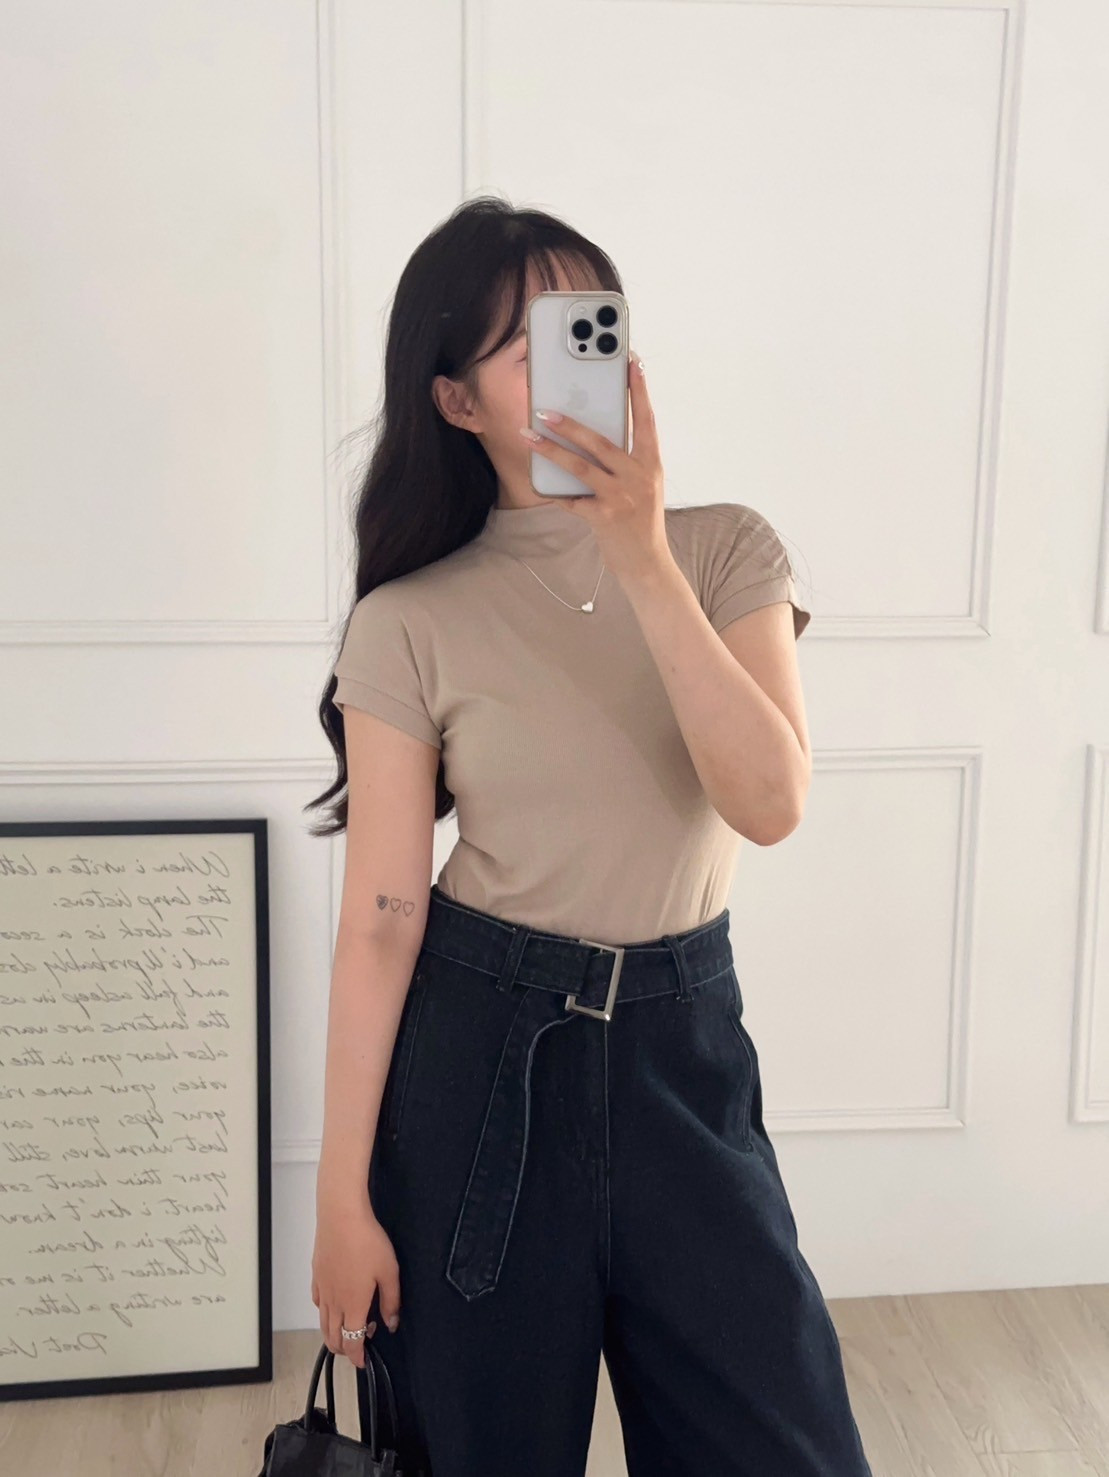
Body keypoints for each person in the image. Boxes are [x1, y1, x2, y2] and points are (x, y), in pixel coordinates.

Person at [305, 195, 871, 1477]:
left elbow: (769, 803)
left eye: (591, 326)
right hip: (479, 1068)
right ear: (456, 401)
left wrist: (641, 557)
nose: (579, 363)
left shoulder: (723, 553)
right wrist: (339, 1198)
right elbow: (382, 922)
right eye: (531, 346)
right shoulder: (408, 621)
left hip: (684, 1052)